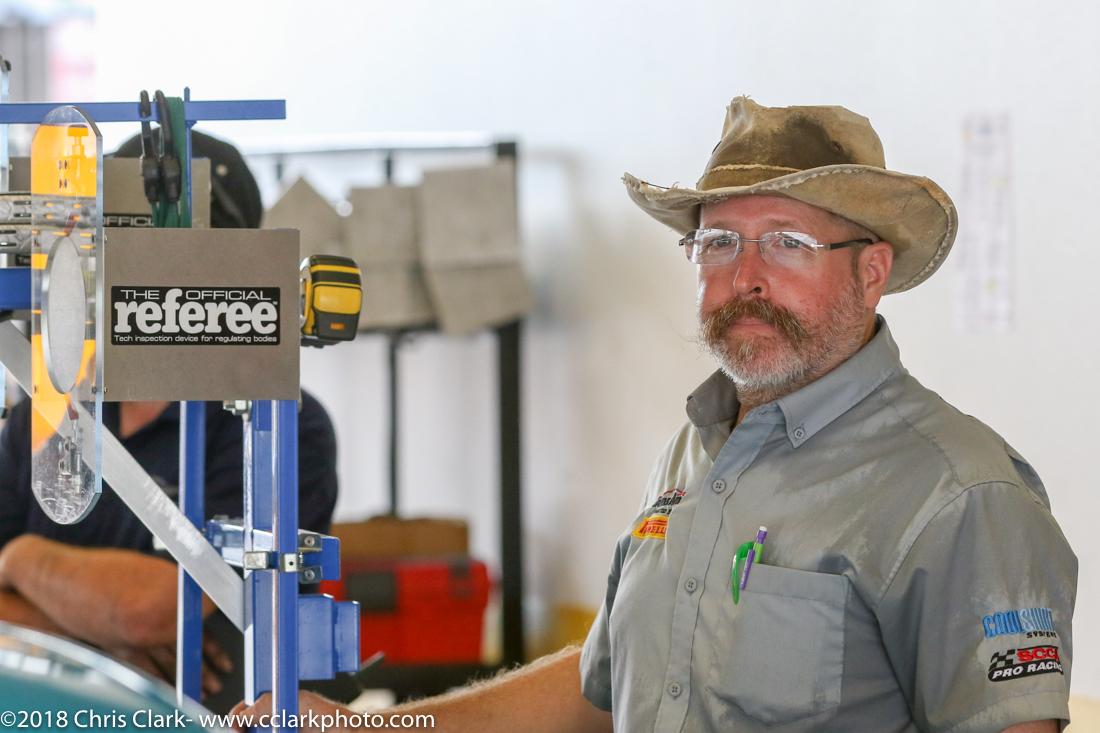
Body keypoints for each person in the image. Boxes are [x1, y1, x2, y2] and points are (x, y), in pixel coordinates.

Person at [235, 98, 1076, 733]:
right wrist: (377, 727)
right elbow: (605, 687)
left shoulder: (960, 495)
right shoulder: (694, 453)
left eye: (788, 242)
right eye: (718, 242)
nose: (745, 276)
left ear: (872, 272)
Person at [0, 130, 339, 713]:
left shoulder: (275, 425)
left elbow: (156, 609)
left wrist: (20, 560)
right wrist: (104, 657)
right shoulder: (45, 410)